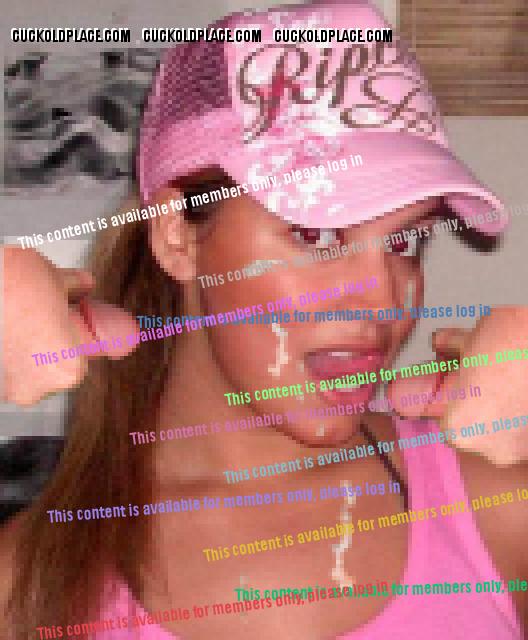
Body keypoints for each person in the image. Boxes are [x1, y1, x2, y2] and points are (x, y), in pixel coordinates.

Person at [1, 1, 527, 638]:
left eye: (405, 241)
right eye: (315, 234)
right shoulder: (29, 583)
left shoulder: (495, 506)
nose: (384, 300)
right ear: (177, 236)